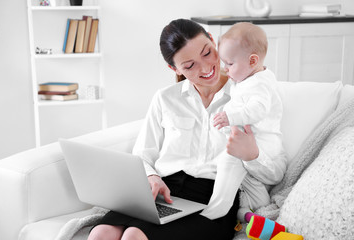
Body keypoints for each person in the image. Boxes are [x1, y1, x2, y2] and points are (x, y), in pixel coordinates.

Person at [88, 19, 286, 240]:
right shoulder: (165, 99)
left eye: (207, 53)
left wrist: (251, 155)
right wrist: (152, 176)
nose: (205, 68)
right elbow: (142, 154)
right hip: (164, 192)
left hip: (212, 200)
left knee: (134, 236)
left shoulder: (249, 97)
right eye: (189, 65)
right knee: (100, 233)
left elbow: (276, 173)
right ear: (174, 68)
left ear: (213, 41)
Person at [213, 22, 287, 223]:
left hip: (264, 151)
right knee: (245, 184)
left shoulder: (260, 83)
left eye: (229, 63)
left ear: (253, 60)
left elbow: (258, 110)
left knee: (242, 175)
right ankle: (246, 212)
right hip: (251, 155)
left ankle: (259, 209)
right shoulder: (248, 77)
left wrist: (231, 117)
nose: (225, 69)